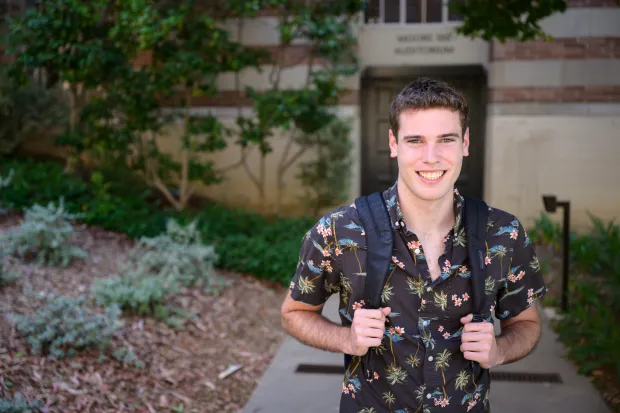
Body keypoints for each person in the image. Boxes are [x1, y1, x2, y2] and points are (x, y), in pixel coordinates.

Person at [281, 77, 546, 412]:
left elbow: (526, 324)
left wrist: (500, 350)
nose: (431, 157)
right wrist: (346, 339)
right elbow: (294, 313)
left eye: (446, 139)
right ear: (394, 144)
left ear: (465, 143)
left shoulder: (503, 233)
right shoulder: (340, 230)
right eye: (416, 140)